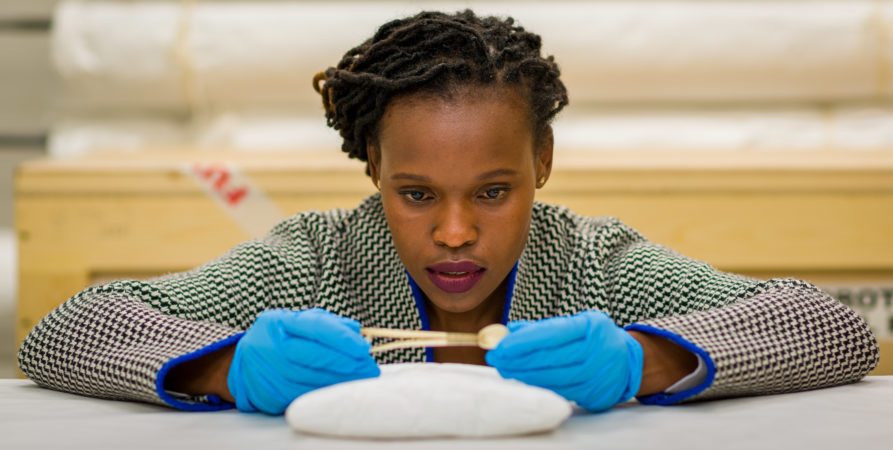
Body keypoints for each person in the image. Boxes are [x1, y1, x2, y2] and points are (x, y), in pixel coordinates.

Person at [18, 10, 877, 416]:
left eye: (494, 193)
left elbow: (830, 330)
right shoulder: (314, 260)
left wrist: (643, 361)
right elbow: (65, 331)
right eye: (416, 194)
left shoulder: (590, 263)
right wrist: (225, 370)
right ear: (372, 171)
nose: (457, 233)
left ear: (542, 164)